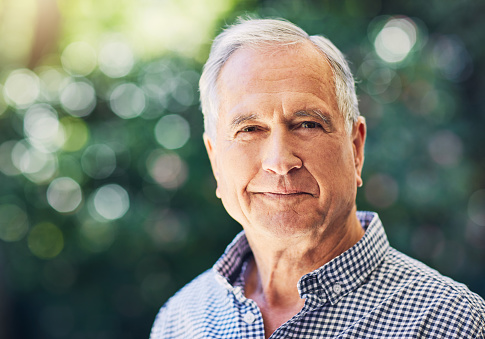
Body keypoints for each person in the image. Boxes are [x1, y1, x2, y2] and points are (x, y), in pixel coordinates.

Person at [150, 18, 485, 338]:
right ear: (215, 161)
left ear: (356, 148)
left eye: (307, 124)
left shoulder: (451, 323)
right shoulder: (180, 321)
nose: (280, 161)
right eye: (250, 129)